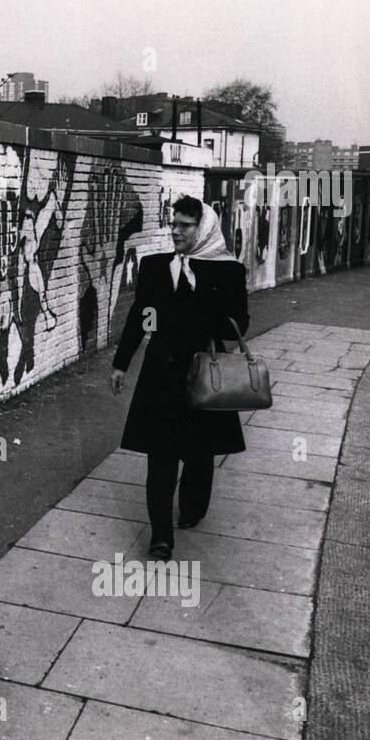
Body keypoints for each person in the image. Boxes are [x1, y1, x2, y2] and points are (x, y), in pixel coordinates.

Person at [108, 195, 249, 559]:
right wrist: (122, 362)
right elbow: (143, 316)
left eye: (184, 225)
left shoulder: (228, 270)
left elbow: (238, 327)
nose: (175, 231)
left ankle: (191, 509)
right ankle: (161, 537)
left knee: (200, 454)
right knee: (161, 456)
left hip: (205, 373)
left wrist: (204, 294)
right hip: (161, 375)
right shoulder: (156, 267)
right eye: (173, 223)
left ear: (202, 229)